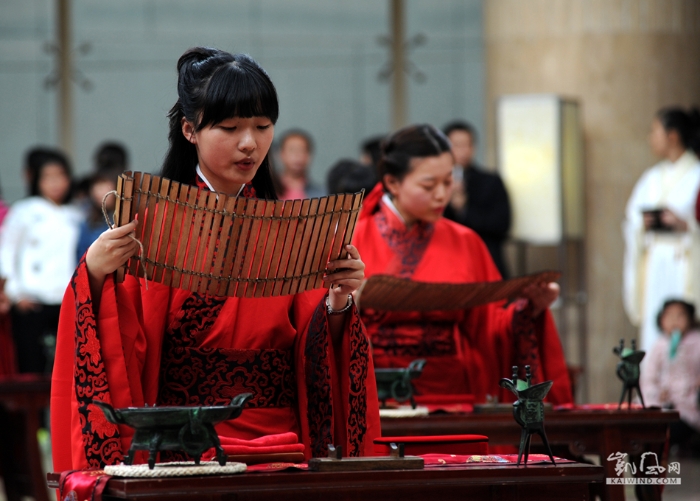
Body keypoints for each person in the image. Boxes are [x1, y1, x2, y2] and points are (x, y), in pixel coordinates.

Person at [51, 47, 380, 472]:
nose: (250, 143)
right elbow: (117, 342)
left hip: (282, 446)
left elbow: (313, 349)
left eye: (263, 127)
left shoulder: (295, 233)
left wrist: (339, 303)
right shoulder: (146, 230)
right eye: (230, 127)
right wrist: (94, 275)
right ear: (190, 130)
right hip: (181, 448)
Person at [353, 124, 571, 405]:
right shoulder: (352, 238)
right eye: (429, 185)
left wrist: (528, 309)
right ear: (393, 183)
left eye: (449, 181)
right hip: (374, 395)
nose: (443, 194)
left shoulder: (466, 241)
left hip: (453, 393)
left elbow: (490, 325)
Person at [623, 107, 700, 352]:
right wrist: (642, 224)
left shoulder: (696, 174)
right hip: (655, 262)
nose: (650, 138)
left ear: (673, 136)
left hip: (684, 262)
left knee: (683, 327)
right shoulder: (652, 177)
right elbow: (632, 218)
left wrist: (686, 225)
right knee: (654, 330)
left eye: (655, 131)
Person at [0, 147, 82, 374]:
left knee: (67, 368)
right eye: (48, 177)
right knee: (31, 368)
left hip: (66, 301)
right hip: (31, 301)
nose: (55, 182)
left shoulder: (76, 215)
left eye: (61, 175)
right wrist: (16, 294)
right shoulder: (23, 211)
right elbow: (7, 254)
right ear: (36, 179)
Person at [442, 121, 511, 278]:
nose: (462, 151)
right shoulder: (436, 185)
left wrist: (464, 208)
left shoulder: (490, 181)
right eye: (456, 145)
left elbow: (501, 224)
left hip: (486, 260)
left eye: (467, 145)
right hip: (450, 262)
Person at [640, 299, 700, 456]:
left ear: (690, 319)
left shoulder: (697, 342)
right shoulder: (659, 345)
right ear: (661, 320)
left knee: (672, 428)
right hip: (661, 401)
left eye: (680, 316)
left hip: (688, 402)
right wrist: (657, 392)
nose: (675, 321)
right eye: (669, 316)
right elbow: (649, 377)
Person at [75, 169, 119, 262]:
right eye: (96, 186)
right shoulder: (87, 222)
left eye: (105, 186)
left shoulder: (128, 219)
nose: (99, 192)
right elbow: (81, 258)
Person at [277, 129, 325, 199]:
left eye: (302, 150)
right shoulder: (266, 192)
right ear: (281, 154)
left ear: (309, 156)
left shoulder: (322, 195)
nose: (297, 155)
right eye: (292, 150)